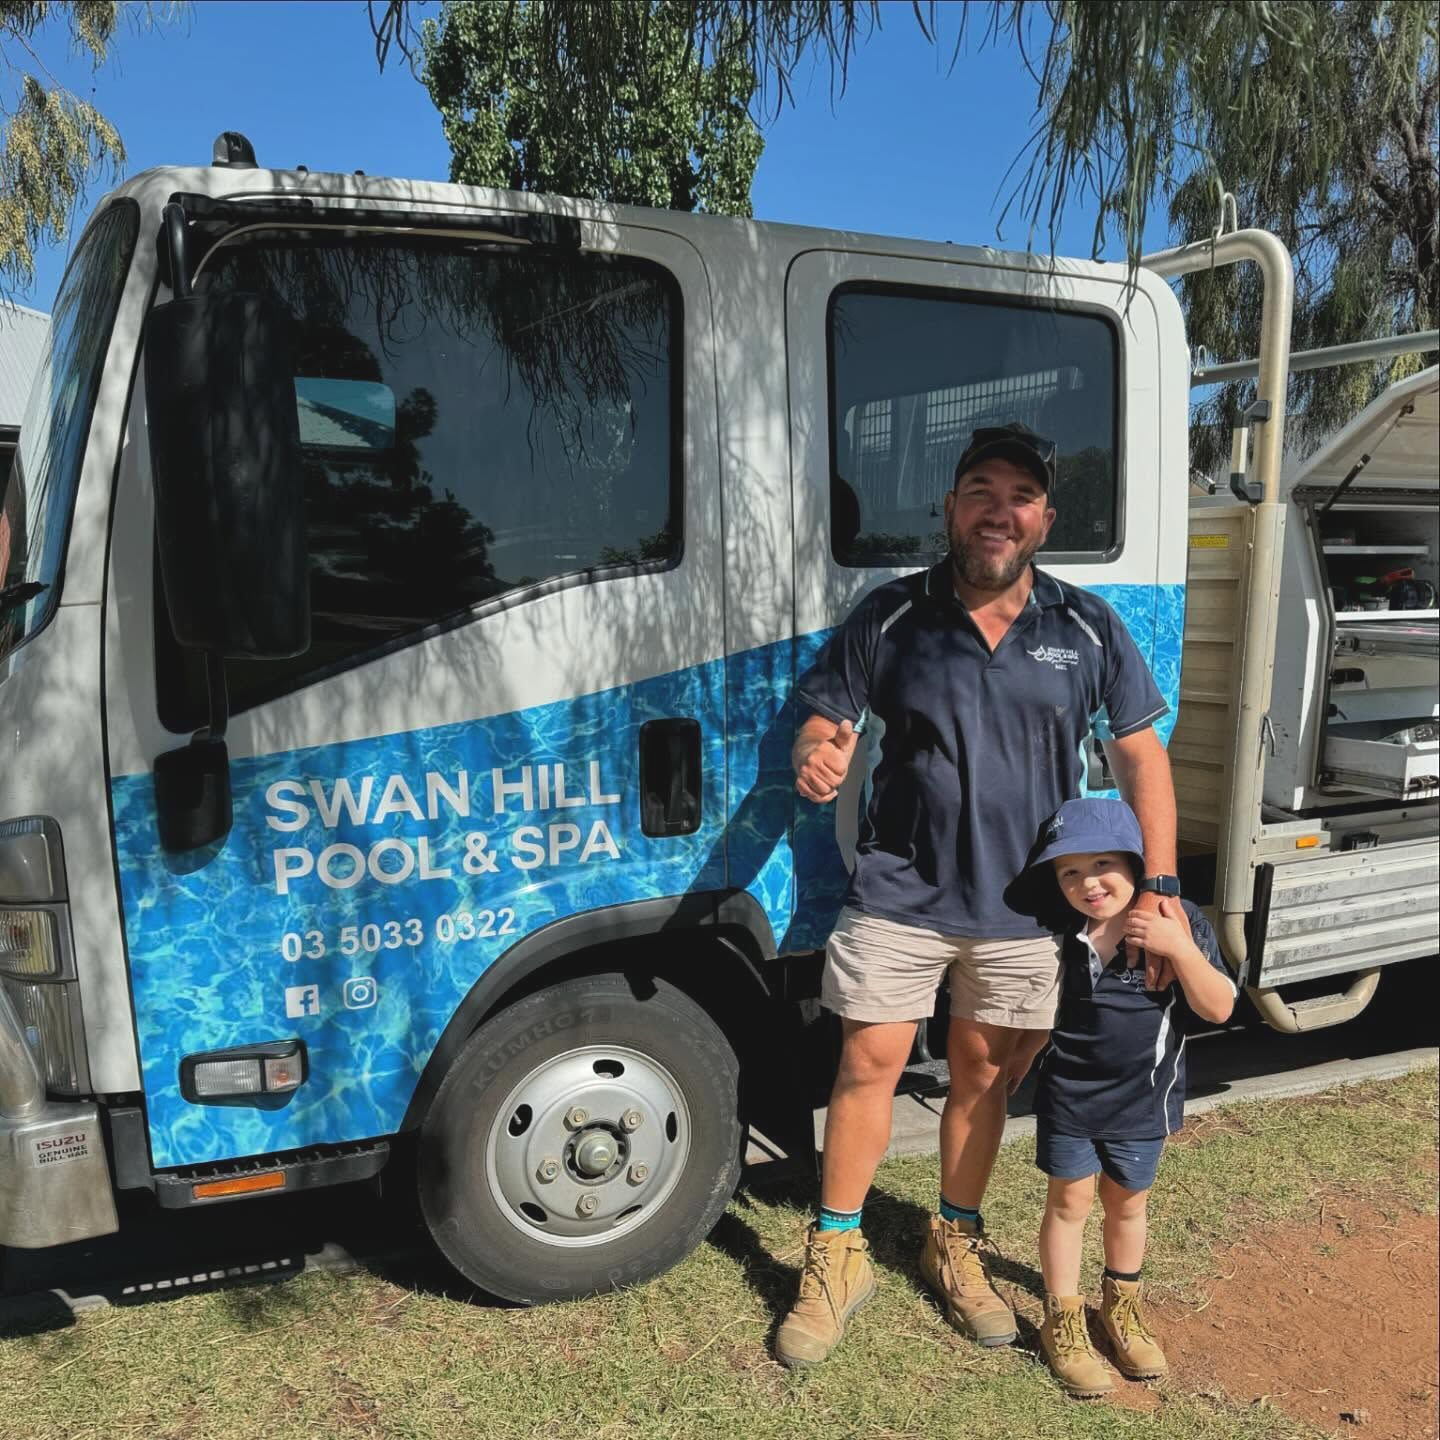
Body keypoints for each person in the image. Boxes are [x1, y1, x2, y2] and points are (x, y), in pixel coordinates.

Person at [775, 421, 1184, 1370]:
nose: (999, 512)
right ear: (951, 508)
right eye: (980, 491)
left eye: (1020, 497)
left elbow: (1140, 757)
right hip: (899, 892)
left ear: (1044, 519)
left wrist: (1156, 889)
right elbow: (824, 724)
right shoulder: (889, 615)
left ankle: (952, 1240)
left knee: (985, 1077)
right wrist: (817, 759)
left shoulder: (1087, 626)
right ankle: (837, 1252)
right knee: (868, 1063)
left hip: (1027, 909)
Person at [1003, 797, 1236, 1397]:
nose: (1088, 883)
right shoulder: (1059, 928)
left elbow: (1218, 1006)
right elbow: (1043, 1009)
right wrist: (1022, 1057)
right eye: (1069, 871)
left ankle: (1121, 1309)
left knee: (1127, 1205)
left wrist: (1179, 948)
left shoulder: (1174, 920)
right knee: (1068, 1202)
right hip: (1069, 1099)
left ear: (1136, 862)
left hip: (1142, 1103)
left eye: (1103, 863)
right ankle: (1064, 1320)